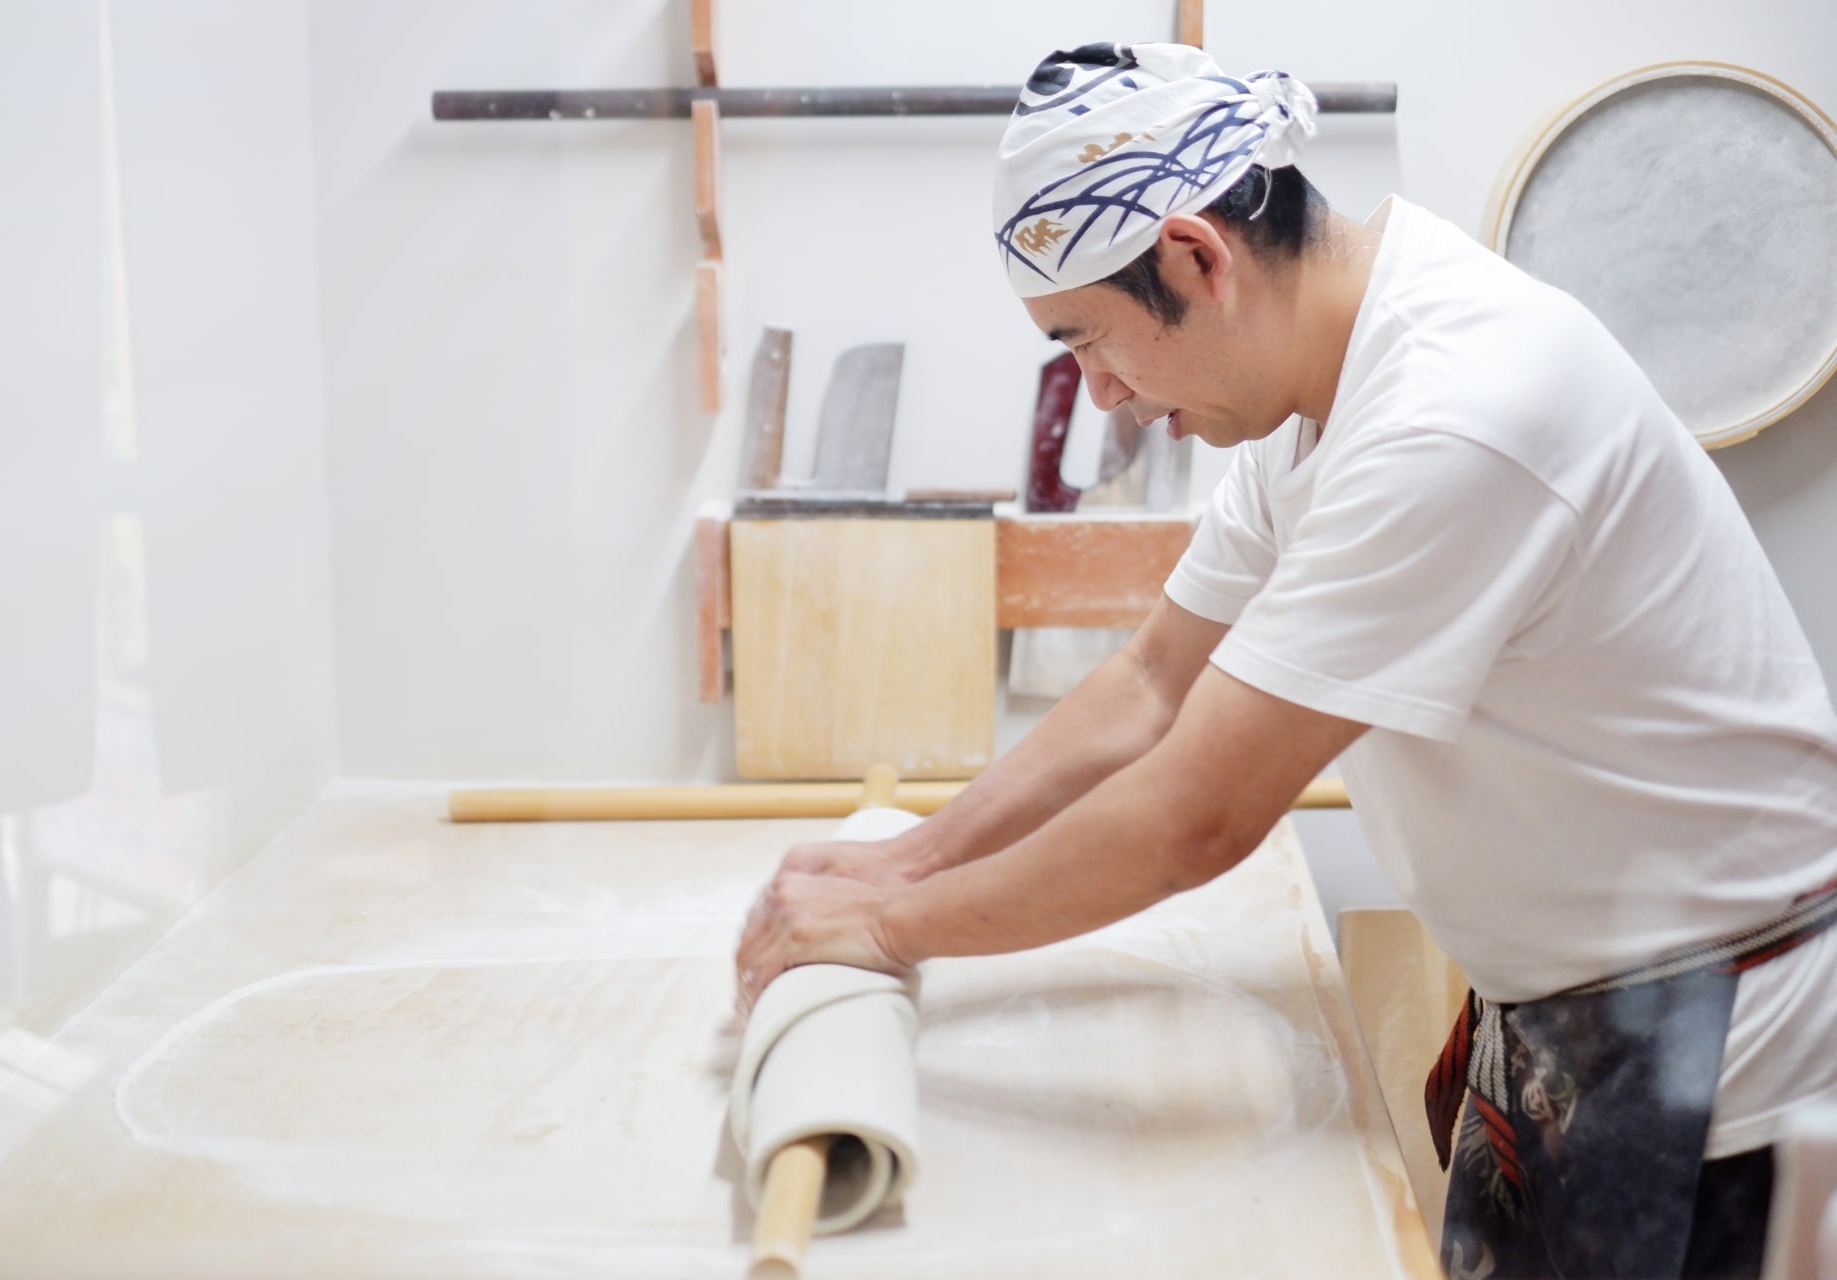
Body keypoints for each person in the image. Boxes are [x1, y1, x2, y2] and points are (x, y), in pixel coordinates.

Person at [733, 41, 1837, 1279]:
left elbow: (1197, 815)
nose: (1101, 396)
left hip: (1726, 1054)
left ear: (1199, 257)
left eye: (1089, 340)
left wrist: (890, 929)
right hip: (1577, 1021)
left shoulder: (1457, 407)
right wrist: (909, 855)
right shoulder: (1319, 391)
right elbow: (1151, 685)